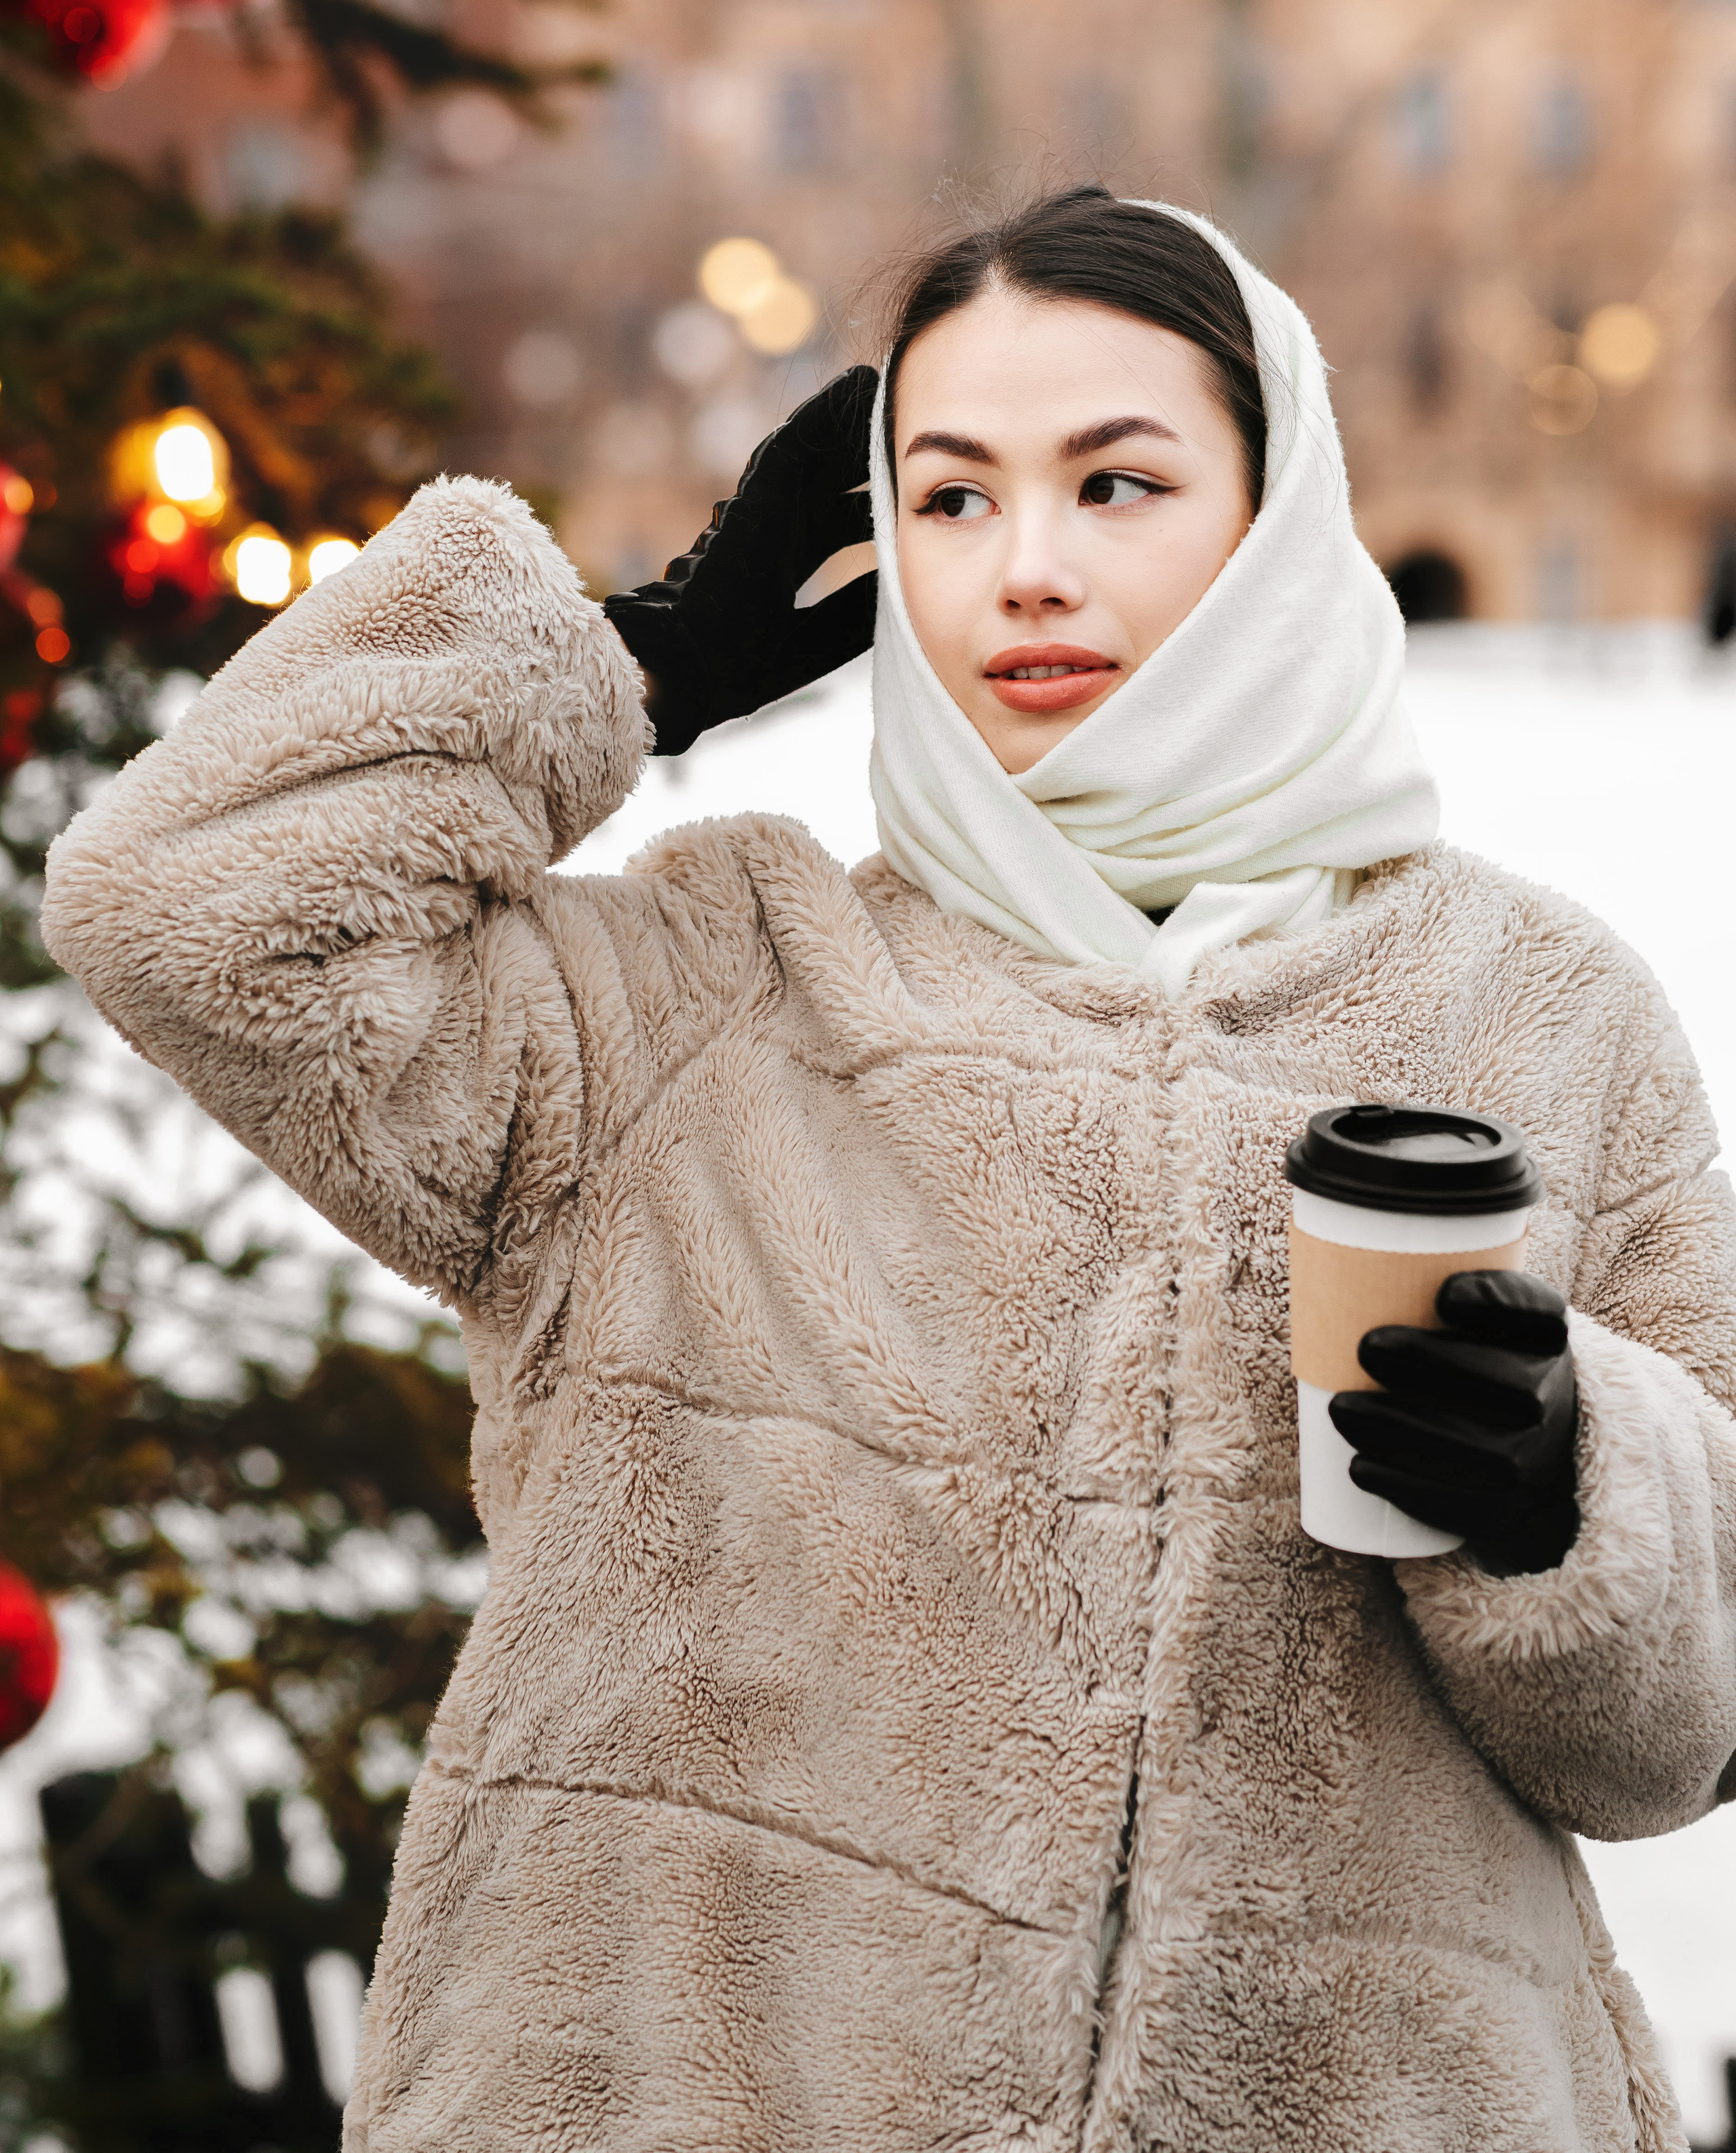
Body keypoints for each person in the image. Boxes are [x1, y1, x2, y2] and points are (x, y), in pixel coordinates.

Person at [41, 186, 1736, 2153]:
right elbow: (185, 908)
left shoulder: (1539, 1014)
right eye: (950, 497)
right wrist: (631, 665)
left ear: (1274, 517)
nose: (1026, 569)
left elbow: (1681, 1739)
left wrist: (1572, 1487)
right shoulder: (700, 995)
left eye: (1117, 485)